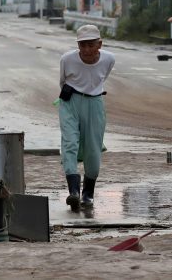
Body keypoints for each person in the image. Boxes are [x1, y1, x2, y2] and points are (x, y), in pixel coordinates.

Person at [59, 24, 115, 211]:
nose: (86, 50)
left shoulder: (108, 59)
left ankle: (88, 194)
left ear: (99, 44)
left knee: (93, 148)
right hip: (70, 103)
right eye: (82, 45)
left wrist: (91, 92)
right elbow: (63, 80)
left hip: (95, 103)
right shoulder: (67, 59)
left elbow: (101, 78)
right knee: (69, 143)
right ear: (78, 45)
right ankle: (73, 192)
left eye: (91, 45)